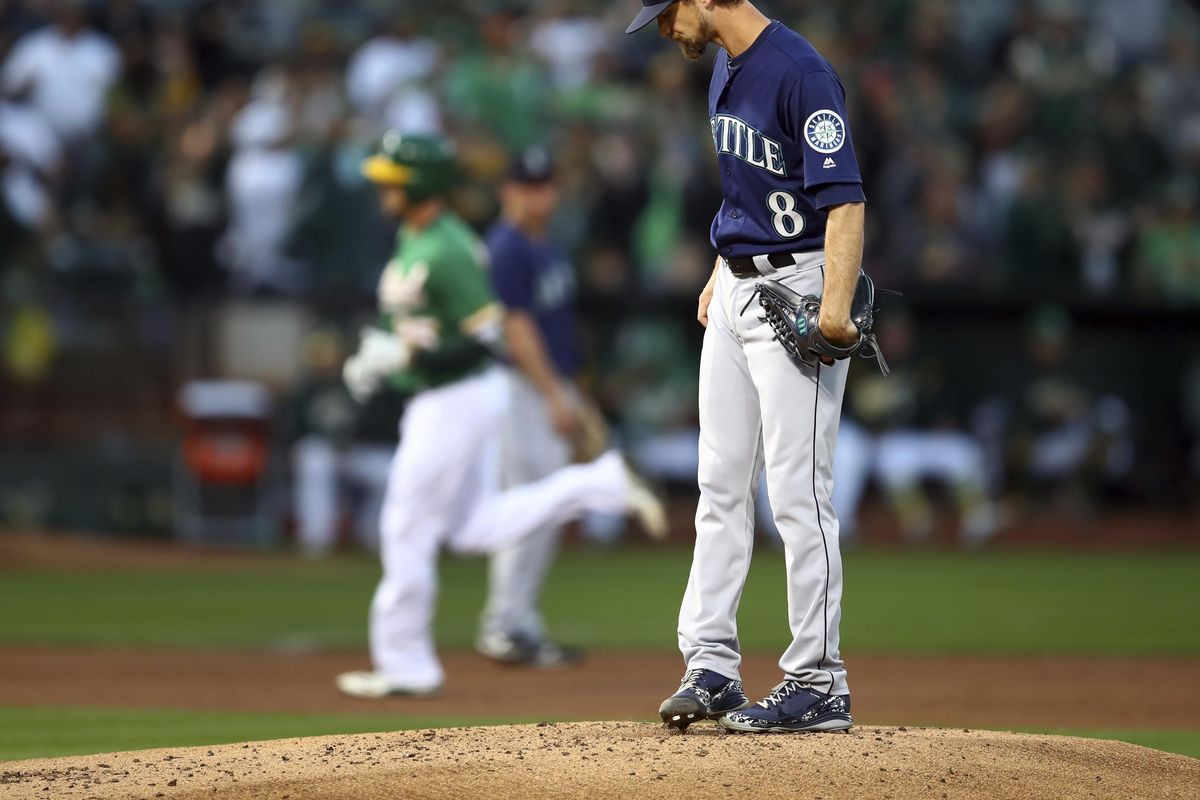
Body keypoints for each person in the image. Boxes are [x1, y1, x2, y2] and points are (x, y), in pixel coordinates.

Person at [335, 131, 665, 698]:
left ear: (421, 184)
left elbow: (487, 334)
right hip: (446, 396)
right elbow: (425, 325)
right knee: (473, 527)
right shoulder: (417, 241)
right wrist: (384, 353)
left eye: (393, 179)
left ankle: (406, 661)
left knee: (405, 526)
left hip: (456, 396)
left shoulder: (447, 246)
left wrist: (409, 353)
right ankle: (598, 483)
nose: (384, 188)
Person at [628, 0, 867, 733]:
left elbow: (846, 203)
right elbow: (749, 192)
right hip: (736, 286)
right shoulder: (725, 68)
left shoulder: (801, 73)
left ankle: (820, 682)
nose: (664, 28)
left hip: (798, 288)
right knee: (719, 483)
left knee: (798, 491)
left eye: (667, 12)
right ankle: (711, 666)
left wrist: (832, 310)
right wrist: (719, 269)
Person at [474, 146, 590, 668]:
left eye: (545, 186)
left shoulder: (545, 246)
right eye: (527, 185)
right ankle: (502, 623)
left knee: (544, 507)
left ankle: (520, 618)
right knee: (527, 505)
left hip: (546, 384)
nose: (538, 195)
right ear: (508, 191)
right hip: (519, 387)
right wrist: (554, 395)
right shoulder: (506, 247)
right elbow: (516, 328)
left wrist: (571, 392)